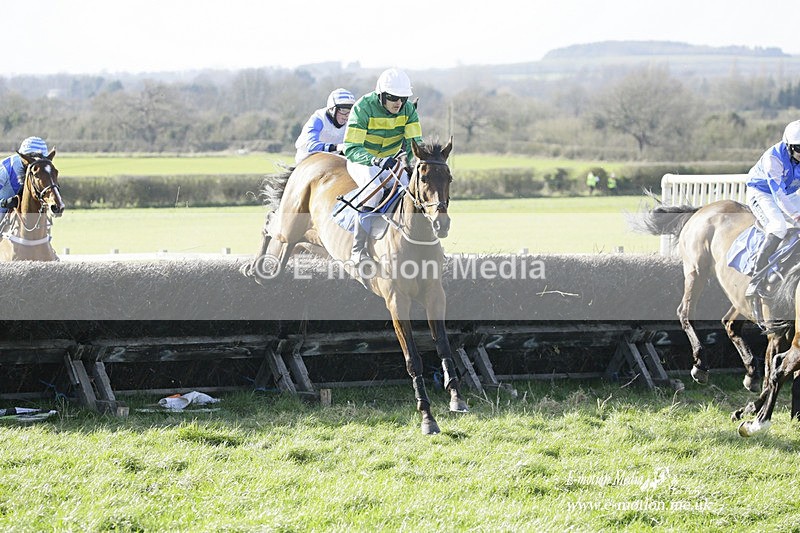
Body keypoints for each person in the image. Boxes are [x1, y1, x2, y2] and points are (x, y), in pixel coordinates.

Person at [343, 68, 423, 264]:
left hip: (391, 161)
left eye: (403, 98)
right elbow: (352, 148)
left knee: (411, 193)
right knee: (374, 190)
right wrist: (375, 160)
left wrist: (413, 162)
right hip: (362, 161)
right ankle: (358, 250)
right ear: (381, 95)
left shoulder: (408, 110)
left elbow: (415, 143)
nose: (399, 103)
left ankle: (421, 245)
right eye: (393, 97)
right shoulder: (362, 107)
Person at [744, 119, 800, 303]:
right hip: (763, 193)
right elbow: (778, 194)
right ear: (789, 146)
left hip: (788, 193)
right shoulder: (773, 159)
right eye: (799, 148)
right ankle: (756, 276)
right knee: (778, 227)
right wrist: (795, 215)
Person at [293, 88, 356, 165]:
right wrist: (335, 147)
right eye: (343, 110)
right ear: (332, 109)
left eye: (350, 111)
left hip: (335, 160)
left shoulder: (351, 121)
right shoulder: (318, 119)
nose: (346, 116)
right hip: (308, 160)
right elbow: (309, 144)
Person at [0, 136, 49, 214]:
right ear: (23, 157)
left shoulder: (42, 171)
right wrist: (4, 203)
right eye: (31, 159)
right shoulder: (5, 169)